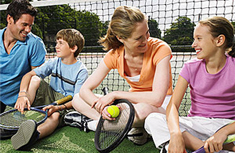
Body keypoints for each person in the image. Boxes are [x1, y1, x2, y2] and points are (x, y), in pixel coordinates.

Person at [65, 6, 173, 145]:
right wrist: (101, 107)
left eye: (147, 33)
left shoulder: (161, 49)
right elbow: (85, 90)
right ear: (120, 38)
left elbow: (157, 98)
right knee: (77, 99)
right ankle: (131, 127)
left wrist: (116, 95)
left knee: (144, 110)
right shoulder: (114, 55)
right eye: (139, 38)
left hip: (161, 106)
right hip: (131, 104)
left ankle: (88, 124)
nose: (146, 40)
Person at [144, 16, 235, 153]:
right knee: (152, 119)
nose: (193, 44)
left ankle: (209, 147)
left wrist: (223, 132)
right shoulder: (190, 67)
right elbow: (173, 106)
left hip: (229, 128)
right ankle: (208, 148)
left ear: (219, 40)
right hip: (196, 125)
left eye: (199, 38)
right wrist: (175, 133)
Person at [10, 28, 88, 150]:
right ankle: (20, 116)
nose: (57, 46)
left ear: (73, 48)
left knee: (55, 116)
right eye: (57, 42)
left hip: (66, 104)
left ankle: (33, 136)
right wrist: (22, 95)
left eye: (61, 43)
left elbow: (77, 100)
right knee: (35, 79)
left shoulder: (81, 71)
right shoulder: (54, 62)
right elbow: (28, 75)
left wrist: (58, 107)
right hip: (50, 95)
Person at [0, 0, 46, 113]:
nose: (28, 30)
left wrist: (23, 94)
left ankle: (20, 115)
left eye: (30, 26)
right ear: (9, 19)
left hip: (20, 98)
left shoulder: (35, 43)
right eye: (24, 25)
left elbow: (35, 77)